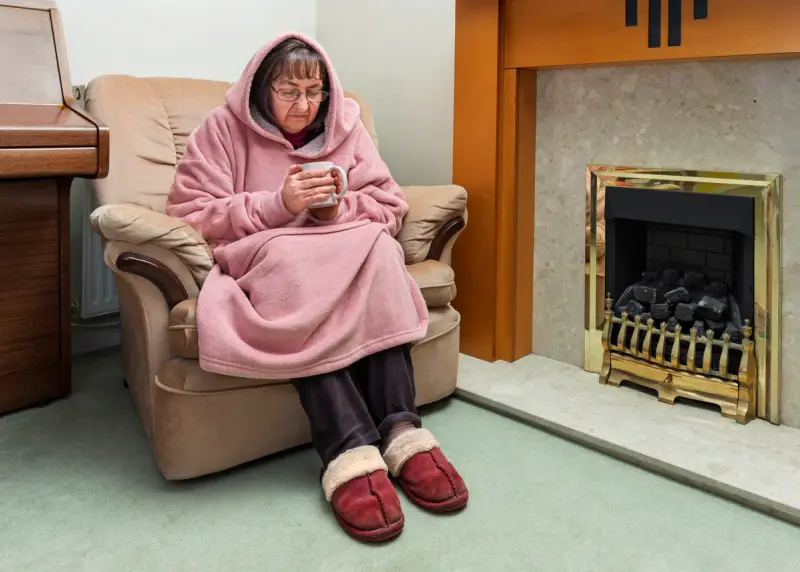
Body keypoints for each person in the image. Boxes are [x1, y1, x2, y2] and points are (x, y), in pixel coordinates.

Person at [165, 33, 468, 543]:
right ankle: (348, 449)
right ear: (262, 89)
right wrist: (276, 205)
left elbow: (389, 206)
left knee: (375, 243)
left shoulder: (345, 125)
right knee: (293, 260)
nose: (304, 106)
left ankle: (402, 431)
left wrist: (338, 207)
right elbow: (191, 214)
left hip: (344, 247)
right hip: (271, 255)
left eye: (314, 92)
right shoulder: (221, 129)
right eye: (289, 92)